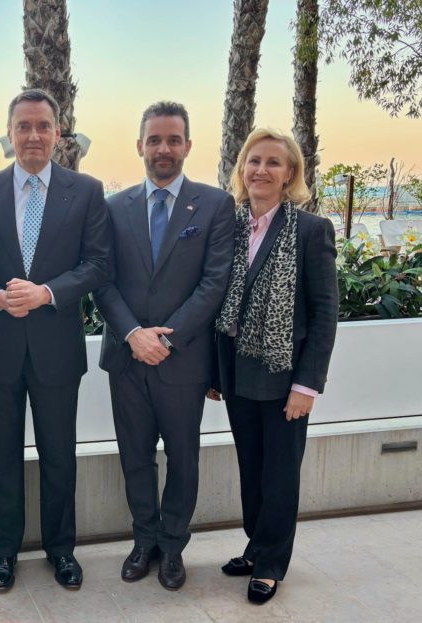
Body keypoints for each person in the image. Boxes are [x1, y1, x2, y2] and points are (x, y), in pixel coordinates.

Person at [0, 88, 111, 591]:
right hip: (1, 349)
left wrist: (47, 292)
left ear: (57, 132)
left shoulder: (86, 190)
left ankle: (61, 550)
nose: (33, 135)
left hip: (57, 351)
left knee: (59, 455)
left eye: (43, 126)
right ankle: (3, 552)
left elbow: (97, 264)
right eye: (23, 126)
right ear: (9, 134)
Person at [94, 102, 235, 591]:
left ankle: (173, 546)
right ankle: (144, 541)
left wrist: (165, 339)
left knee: (183, 458)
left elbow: (214, 284)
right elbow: (102, 280)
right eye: (154, 139)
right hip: (126, 358)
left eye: (173, 139)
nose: (163, 148)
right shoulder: (113, 207)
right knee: (134, 457)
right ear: (140, 146)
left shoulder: (215, 205)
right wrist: (134, 334)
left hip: (184, 360)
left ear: (188, 146)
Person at [210, 128, 337, 604]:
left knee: (280, 473)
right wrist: (213, 375)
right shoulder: (228, 226)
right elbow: (215, 300)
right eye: (253, 160)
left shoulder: (311, 230)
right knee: (252, 467)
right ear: (242, 168)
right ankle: (255, 545)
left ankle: (270, 564)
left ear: (289, 175)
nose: (261, 170)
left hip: (285, 375)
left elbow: (324, 314)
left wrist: (307, 385)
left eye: (273, 163)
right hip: (236, 370)